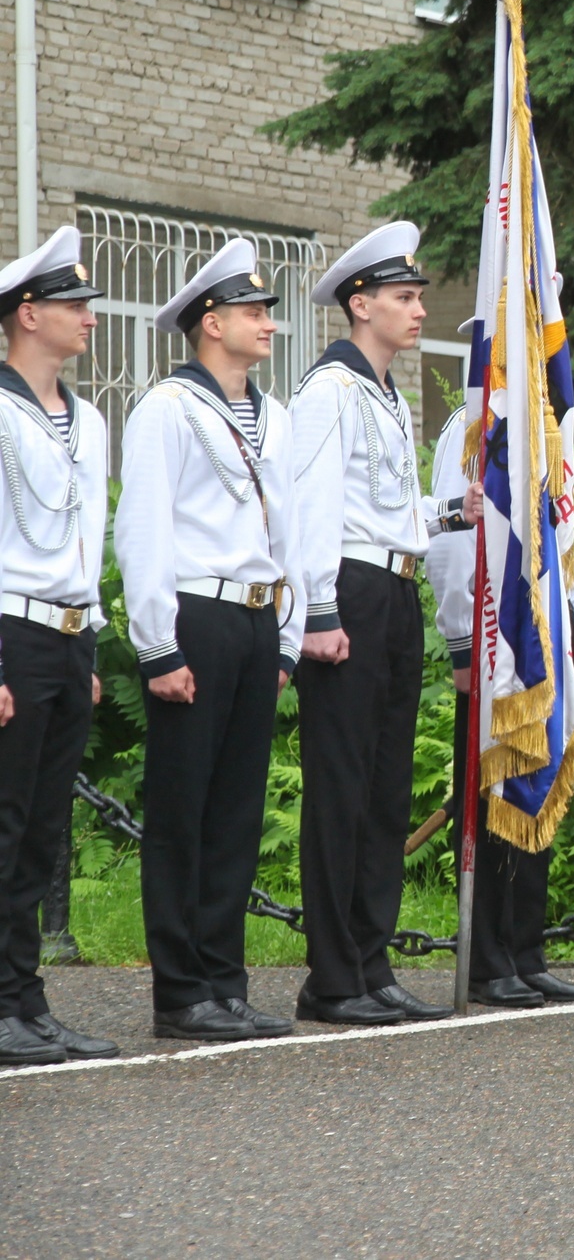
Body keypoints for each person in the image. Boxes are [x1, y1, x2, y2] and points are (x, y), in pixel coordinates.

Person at [116, 239, 305, 1042]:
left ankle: (224, 981)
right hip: (195, 613)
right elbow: (144, 527)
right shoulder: (169, 407)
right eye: (254, 311)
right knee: (183, 810)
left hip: (255, 618)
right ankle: (181, 989)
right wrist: (158, 645)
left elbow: (288, 529)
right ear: (211, 322)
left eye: (267, 310)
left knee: (235, 810)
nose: (269, 322)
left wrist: (288, 638)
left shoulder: (276, 415)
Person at [286, 224, 451, 1028]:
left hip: (395, 592)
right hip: (348, 592)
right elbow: (314, 504)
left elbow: (386, 506)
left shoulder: (383, 392)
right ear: (361, 303)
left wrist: (450, 513)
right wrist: (316, 610)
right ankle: (333, 972)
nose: (418, 310)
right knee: (343, 785)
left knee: (386, 785)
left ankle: (371, 956)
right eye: (404, 297)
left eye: (417, 297)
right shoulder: (331, 389)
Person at [425, 394, 574, 1009]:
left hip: (543, 641)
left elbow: (558, 533)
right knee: (495, 791)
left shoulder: (542, 421)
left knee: (538, 787)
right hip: (495, 648)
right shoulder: (477, 422)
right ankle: (487, 960)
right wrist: (462, 644)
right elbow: (451, 549)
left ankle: (525, 951)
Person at [0, 229, 114, 1064]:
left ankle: (27, 1000)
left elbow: (88, 538)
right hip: (12, 633)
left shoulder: (89, 419)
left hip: (69, 638)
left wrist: (95, 648)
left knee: (43, 831)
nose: (89, 318)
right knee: (4, 826)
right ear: (27, 313)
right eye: (74, 305)